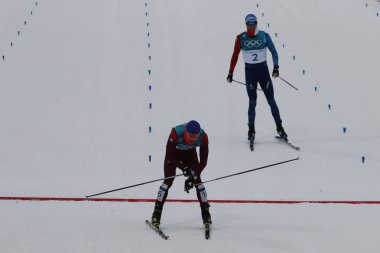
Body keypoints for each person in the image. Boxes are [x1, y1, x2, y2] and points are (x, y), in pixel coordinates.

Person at [226, 13, 288, 141]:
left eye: (253, 23)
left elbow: (274, 52)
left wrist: (276, 67)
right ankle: (251, 130)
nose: (251, 26)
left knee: (271, 101)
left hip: (263, 74)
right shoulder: (240, 38)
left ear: (256, 23)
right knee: (252, 102)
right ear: (246, 24)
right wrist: (230, 72)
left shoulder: (264, 36)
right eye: (249, 23)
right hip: (250, 75)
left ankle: (280, 128)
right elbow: (235, 56)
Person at [150, 120, 211, 229]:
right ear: (185, 132)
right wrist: (183, 168)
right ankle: (156, 213)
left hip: (189, 155)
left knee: (198, 181)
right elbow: (169, 156)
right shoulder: (176, 133)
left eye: (195, 136)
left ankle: (206, 213)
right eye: (190, 136)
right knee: (168, 180)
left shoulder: (203, 137)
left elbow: (203, 162)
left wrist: (193, 176)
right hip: (174, 156)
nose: (193, 139)